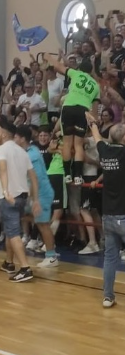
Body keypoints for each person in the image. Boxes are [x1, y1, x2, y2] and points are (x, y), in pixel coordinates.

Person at [85, 112, 125, 308]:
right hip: (123, 216)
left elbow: (96, 135)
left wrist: (91, 121)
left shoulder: (105, 151)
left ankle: (108, 297)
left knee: (110, 259)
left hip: (107, 216)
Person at [42, 53, 100, 185]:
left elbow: (58, 66)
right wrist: (92, 126)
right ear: (91, 71)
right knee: (78, 145)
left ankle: (67, 175)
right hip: (83, 111)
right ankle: (78, 176)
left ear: (80, 68)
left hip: (68, 108)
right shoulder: (96, 86)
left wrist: (48, 57)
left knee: (67, 143)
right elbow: (95, 112)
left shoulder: (76, 73)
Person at [0, 117, 40, 282]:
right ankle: (9, 262)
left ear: (4, 134)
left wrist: (6, 191)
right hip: (22, 196)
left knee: (14, 233)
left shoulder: (1, 149)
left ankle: (25, 268)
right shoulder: (23, 151)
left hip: (9, 197)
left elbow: (3, 169)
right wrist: (35, 199)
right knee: (10, 229)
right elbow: (33, 177)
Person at [14, 126, 58, 268]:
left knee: (43, 225)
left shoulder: (31, 156)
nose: (14, 139)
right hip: (35, 193)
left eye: (16, 137)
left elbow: (35, 179)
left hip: (41, 193)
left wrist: (34, 199)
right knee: (32, 219)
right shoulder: (30, 150)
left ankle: (51, 256)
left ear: (22, 139)